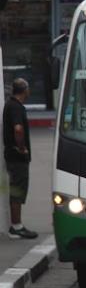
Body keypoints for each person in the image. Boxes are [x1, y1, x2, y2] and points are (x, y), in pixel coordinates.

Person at [3, 79, 37, 239]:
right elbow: (18, 129)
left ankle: (16, 225)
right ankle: (17, 226)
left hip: (12, 157)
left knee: (17, 189)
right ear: (24, 90)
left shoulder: (11, 105)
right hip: (17, 158)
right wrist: (22, 148)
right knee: (18, 190)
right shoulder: (16, 107)